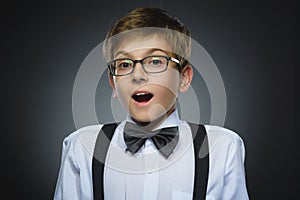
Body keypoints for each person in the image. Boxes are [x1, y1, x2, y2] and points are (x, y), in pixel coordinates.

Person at [54, 7, 249, 200]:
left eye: (155, 61)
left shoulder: (222, 148)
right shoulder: (81, 147)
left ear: (184, 78)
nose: (138, 75)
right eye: (124, 64)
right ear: (113, 83)